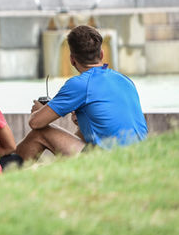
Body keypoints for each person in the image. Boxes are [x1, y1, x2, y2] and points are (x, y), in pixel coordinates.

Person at [16, 25, 147, 160]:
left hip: (109, 159)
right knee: (80, 132)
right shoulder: (124, 79)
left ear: (72, 59)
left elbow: (36, 123)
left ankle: (6, 172)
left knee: (39, 133)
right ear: (101, 54)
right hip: (138, 155)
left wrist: (38, 111)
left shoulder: (79, 84)